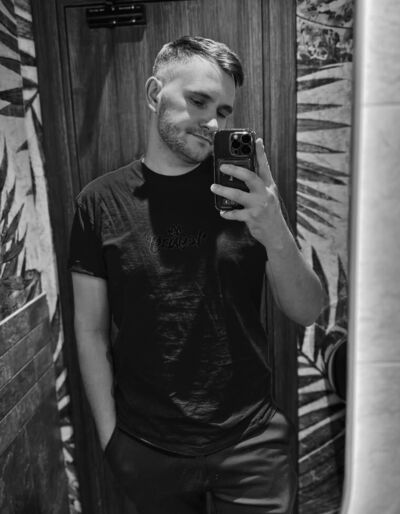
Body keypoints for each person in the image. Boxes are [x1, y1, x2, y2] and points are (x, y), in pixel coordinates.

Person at [69, 36, 323, 514]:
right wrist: (111, 440)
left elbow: (307, 310)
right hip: (146, 445)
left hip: (251, 440)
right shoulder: (98, 203)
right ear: (154, 94)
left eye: (224, 111)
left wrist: (274, 229)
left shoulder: (250, 198)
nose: (213, 123)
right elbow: (90, 329)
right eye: (199, 101)